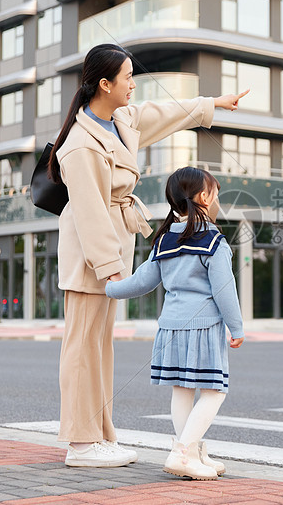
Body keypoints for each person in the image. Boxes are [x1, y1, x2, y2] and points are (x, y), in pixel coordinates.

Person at [49, 43, 247, 468]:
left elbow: (163, 113)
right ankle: (80, 444)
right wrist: (110, 273)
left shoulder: (120, 120)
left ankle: (99, 436)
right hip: (91, 257)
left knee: (101, 348)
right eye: (127, 78)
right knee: (83, 348)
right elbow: (89, 212)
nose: (134, 85)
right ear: (105, 84)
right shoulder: (81, 144)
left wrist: (211, 104)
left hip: (113, 250)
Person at [106, 167, 244, 481]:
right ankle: (183, 452)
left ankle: (191, 450)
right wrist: (236, 328)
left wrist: (111, 287)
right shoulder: (214, 242)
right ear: (205, 197)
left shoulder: (165, 239)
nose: (218, 198)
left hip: (170, 326)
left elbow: (143, 281)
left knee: (182, 389)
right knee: (214, 391)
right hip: (204, 326)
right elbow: (224, 290)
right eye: (216, 192)